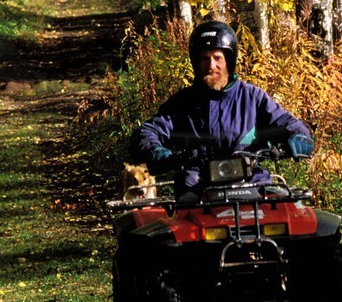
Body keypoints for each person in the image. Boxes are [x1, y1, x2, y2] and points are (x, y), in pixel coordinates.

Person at [133, 19, 314, 198]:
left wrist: (299, 138)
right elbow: (150, 130)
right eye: (205, 58)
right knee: (180, 219)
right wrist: (155, 150)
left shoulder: (252, 97)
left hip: (252, 181)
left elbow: (287, 122)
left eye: (217, 58)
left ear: (229, 60)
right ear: (196, 62)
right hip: (197, 186)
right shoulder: (181, 102)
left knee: (290, 214)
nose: (211, 66)